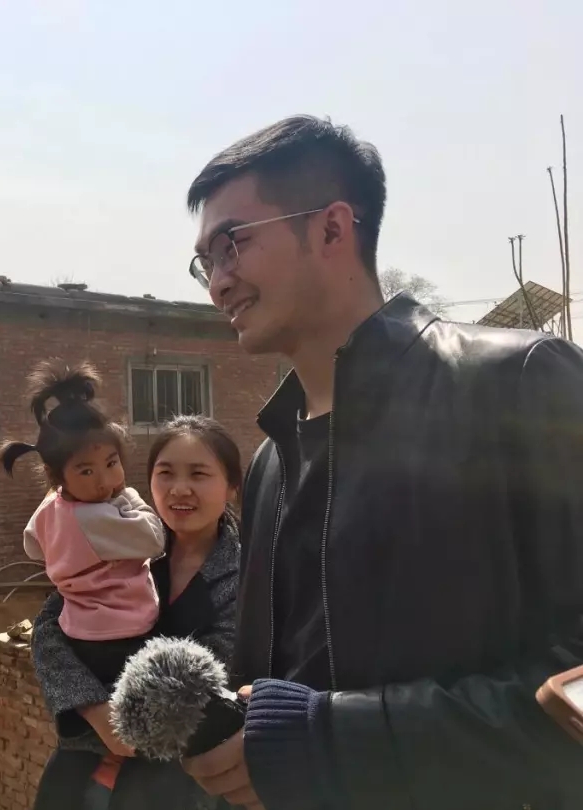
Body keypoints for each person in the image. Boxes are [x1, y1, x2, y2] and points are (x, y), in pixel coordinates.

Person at [180, 115, 583, 810]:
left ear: (333, 229)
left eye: (232, 244)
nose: (218, 283)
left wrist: (333, 743)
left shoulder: (517, 385)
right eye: (204, 263)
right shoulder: (272, 461)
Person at [31, 415, 244, 810]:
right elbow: (48, 628)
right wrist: (93, 708)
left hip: (177, 782)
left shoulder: (246, 571)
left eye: (198, 474)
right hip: (82, 771)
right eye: (165, 473)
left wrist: (129, 720)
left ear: (231, 485)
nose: (179, 489)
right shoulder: (120, 540)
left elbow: (219, 662)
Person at [0, 360, 166, 687]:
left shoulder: (52, 506)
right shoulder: (96, 518)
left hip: (79, 629)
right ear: (58, 475)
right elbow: (155, 538)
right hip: (123, 634)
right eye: (86, 471)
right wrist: (127, 496)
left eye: (111, 463)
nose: (104, 481)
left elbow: (32, 545)